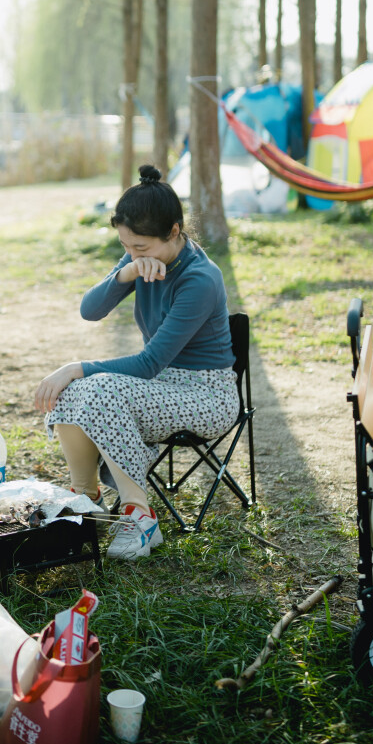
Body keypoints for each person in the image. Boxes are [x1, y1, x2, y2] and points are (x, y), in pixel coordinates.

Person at [33, 165, 239, 560]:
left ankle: (139, 518)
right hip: (159, 387)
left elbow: (148, 363)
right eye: (127, 246)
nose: (133, 253)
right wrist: (125, 273)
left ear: (175, 232)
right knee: (82, 388)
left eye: (140, 248)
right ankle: (84, 500)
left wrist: (76, 366)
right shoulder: (139, 259)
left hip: (206, 396)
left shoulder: (200, 279)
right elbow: (90, 311)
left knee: (96, 384)